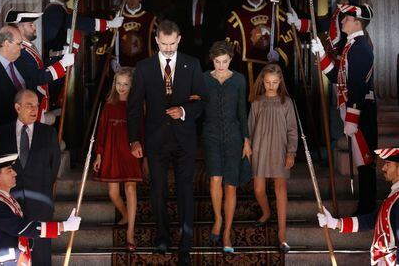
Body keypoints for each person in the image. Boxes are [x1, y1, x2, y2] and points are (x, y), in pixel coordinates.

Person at [127, 20, 207, 266]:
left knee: (184, 190)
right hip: (155, 139)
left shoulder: (192, 64)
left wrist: (183, 110)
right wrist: (134, 140)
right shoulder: (143, 67)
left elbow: (202, 101)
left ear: (179, 39)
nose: (169, 48)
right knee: (158, 189)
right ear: (156, 41)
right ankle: (162, 237)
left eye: (173, 43)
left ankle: (186, 242)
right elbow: (133, 108)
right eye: (164, 44)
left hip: (184, 139)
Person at [311, 3, 377, 215]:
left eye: (346, 19)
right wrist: (321, 55)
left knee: (365, 162)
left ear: (357, 22)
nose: (341, 21)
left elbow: (357, 85)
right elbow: (337, 77)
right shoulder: (352, 45)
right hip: (354, 110)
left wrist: (352, 117)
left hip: (361, 111)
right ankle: (365, 206)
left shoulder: (360, 47)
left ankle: (367, 209)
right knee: (361, 161)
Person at [0, 89, 61, 265]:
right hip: (11, 204)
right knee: (14, 254)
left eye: (37, 106)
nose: (34, 109)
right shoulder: (1, 133)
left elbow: (54, 167)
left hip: (40, 203)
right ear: (17, 107)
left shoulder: (48, 133)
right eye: (29, 105)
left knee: (41, 255)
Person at [0, 153, 80, 266]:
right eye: (9, 171)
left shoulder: (5, 199)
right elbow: (21, 228)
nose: (15, 173)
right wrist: (63, 226)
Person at [42, 0, 123, 104]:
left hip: (62, 61)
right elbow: (78, 22)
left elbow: (82, 20)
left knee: (59, 104)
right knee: (53, 101)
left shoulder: (60, 10)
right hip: (55, 62)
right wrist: (109, 24)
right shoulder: (54, 11)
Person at [202, 41, 252, 252]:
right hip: (211, 135)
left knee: (230, 184)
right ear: (212, 60)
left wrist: (247, 140)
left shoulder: (239, 80)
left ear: (230, 60)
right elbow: (197, 107)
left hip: (234, 137)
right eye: (217, 62)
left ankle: (227, 233)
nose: (221, 66)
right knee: (215, 179)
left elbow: (242, 111)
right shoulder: (204, 79)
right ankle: (218, 218)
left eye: (224, 62)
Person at [317, 148, 399, 265]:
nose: (383, 168)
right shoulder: (394, 196)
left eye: (388, 164)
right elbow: (372, 221)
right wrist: (335, 223)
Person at [248, 63, 298, 252]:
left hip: (280, 150)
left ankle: (282, 234)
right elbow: (250, 128)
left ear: (280, 82)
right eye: (268, 82)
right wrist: (248, 148)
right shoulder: (257, 102)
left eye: (274, 83)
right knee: (259, 189)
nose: (271, 86)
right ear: (263, 82)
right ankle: (267, 212)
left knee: (280, 189)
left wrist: (291, 152)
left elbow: (292, 130)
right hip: (260, 150)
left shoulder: (286, 102)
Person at [93, 67, 143, 251]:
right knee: (113, 193)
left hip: (130, 151)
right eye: (119, 83)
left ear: (132, 85)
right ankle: (126, 214)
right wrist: (99, 154)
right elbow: (102, 132)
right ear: (115, 84)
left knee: (130, 188)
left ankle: (130, 232)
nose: (122, 88)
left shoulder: (136, 105)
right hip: (111, 152)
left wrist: (142, 151)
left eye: (126, 84)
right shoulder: (108, 105)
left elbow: (142, 130)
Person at [225, 0, 294, 93]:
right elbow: (230, 47)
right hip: (247, 71)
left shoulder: (276, 11)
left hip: (273, 67)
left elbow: (288, 37)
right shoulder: (236, 16)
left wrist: (278, 53)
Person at [4, 9, 74, 124]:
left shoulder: (27, 48)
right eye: (31, 25)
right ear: (19, 28)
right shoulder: (19, 51)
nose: (35, 28)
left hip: (40, 103)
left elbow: (40, 68)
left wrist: (60, 58)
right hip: (29, 108)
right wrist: (62, 64)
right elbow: (37, 77)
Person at [286, 0, 359, 56]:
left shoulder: (352, 5)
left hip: (344, 55)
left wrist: (300, 23)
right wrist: (300, 22)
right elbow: (325, 22)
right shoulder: (343, 2)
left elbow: (327, 24)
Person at [173, 0, 222, 70]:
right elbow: (178, 28)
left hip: (209, 54)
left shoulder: (216, 4)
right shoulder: (182, 4)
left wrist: (214, 52)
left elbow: (219, 30)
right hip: (187, 52)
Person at [111, 0, 157, 70]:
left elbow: (157, 45)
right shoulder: (116, 17)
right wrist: (112, 59)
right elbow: (109, 42)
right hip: (121, 68)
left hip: (144, 68)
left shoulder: (151, 19)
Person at [0, 26, 26, 126]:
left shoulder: (21, 61)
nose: (22, 47)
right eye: (19, 43)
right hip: (4, 132)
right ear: (6, 43)